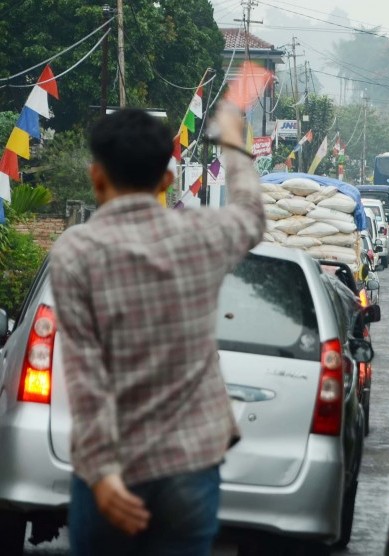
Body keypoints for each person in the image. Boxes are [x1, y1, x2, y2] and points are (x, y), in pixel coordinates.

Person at [50, 105, 265, 556]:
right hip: (191, 466)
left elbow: (85, 377)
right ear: (167, 181)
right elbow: (250, 213)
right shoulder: (202, 233)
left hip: (113, 472)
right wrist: (230, 141)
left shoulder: (76, 251)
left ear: (96, 177)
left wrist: (104, 475)